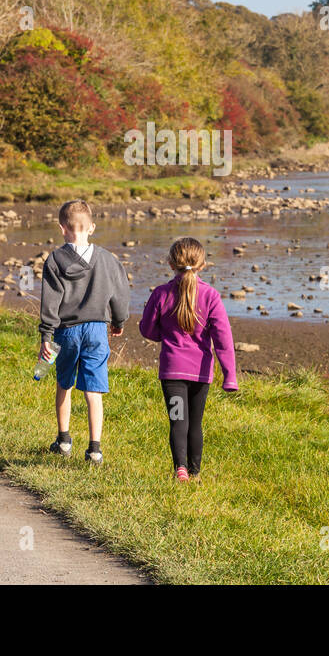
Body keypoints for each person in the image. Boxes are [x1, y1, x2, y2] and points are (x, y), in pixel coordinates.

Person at [138, 237, 237, 482]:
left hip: (172, 372)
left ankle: (180, 469)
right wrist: (230, 375)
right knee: (195, 422)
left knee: (177, 420)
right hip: (200, 373)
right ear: (203, 265)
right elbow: (223, 338)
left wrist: (166, 335)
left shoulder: (161, 293)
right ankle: (195, 472)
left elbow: (147, 330)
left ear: (171, 263)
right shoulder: (211, 296)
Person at [38, 200, 129, 465]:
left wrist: (46, 335)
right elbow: (120, 294)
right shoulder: (107, 259)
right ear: (92, 228)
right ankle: (95, 449)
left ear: (62, 228)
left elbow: (50, 302)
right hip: (97, 329)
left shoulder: (55, 259)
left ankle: (64, 440)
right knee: (94, 389)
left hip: (65, 331)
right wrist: (119, 322)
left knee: (63, 382)